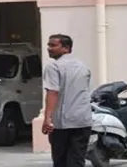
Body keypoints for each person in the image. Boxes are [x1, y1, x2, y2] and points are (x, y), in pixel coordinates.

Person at [41, 34, 93, 167]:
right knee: (77, 160)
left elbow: (53, 92)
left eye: (53, 45)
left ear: (66, 48)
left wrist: (47, 118)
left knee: (61, 161)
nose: (49, 48)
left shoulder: (54, 67)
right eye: (49, 45)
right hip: (83, 120)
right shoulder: (82, 66)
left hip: (62, 122)